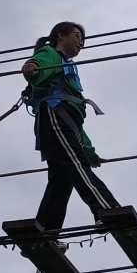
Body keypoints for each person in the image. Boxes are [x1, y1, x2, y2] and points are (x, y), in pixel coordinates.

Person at [21, 21, 120, 233]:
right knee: (75, 165)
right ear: (60, 36)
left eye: (82, 39)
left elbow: (75, 127)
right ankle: (106, 208)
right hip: (53, 115)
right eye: (76, 36)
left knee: (62, 178)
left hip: (61, 120)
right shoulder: (51, 54)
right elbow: (36, 67)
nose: (80, 42)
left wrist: (89, 151)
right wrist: (32, 69)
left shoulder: (67, 65)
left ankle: (46, 229)